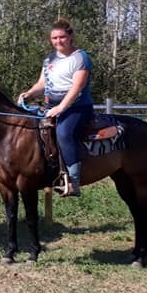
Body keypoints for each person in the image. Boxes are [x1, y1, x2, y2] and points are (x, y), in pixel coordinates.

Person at [18, 18, 93, 197]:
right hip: (51, 105)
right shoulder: (49, 60)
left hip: (77, 107)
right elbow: (42, 84)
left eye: (62, 37)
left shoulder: (80, 57)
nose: (58, 41)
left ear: (70, 37)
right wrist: (28, 94)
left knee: (64, 133)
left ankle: (73, 181)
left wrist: (60, 108)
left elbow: (77, 88)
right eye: (54, 38)